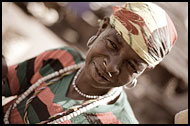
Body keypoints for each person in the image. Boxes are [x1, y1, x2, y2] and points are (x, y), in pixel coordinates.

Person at [2, 2, 177, 124]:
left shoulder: (119, 121)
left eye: (131, 66)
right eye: (112, 44)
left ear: (141, 72)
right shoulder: (61, 59)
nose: (112, 66)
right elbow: (6, 81)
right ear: (102, 28)